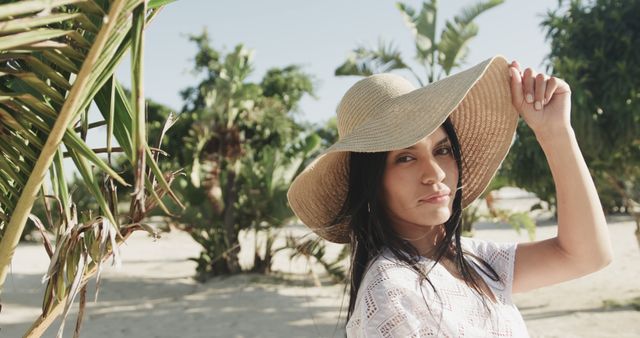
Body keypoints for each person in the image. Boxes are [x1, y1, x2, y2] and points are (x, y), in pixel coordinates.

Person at [286, 55, 613, 337]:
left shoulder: (473, 260)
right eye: (405, 157)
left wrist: (555, 131)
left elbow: (585, 255)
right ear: (371, 185)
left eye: (442, 150)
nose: (436, 173)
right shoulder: (391, 292)